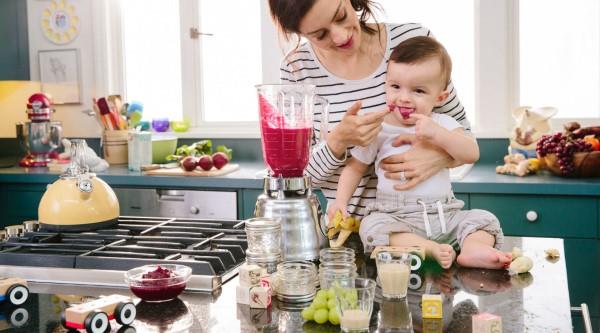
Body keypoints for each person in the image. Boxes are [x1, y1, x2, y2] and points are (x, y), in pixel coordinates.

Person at [268, 0, 469, 223]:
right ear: (300, 33)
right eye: (320, 34)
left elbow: (465, 136)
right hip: (347, 232)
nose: (340, 36)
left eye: (341, 16)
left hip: (431, 224)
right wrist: (337, 142)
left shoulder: (413, 40)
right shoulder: (296, 69)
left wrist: (439, 157)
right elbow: (295, 180)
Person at [327, 36, 511, 269]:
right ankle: (428, 248)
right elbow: (355, 166)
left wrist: (438, 134)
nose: (403, 97)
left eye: (418, 90)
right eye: (395, 87)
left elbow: (471, 153)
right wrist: (340, 201)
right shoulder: (379, 127)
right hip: (396, 216)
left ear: (440, 97)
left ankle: (473, 249)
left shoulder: (443, 122)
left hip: (446, 214)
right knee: (371, 226)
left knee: (483, 219)